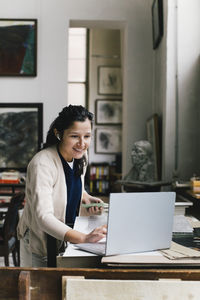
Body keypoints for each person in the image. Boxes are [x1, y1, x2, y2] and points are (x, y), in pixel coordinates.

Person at [17, 105, 107, 267]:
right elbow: (43, 217)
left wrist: (86, 197)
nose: (82, 143)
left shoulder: (80, 155)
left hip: (63, 239)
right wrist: (84, 239)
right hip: (39, 244)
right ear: (59, 134)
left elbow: (70, 183)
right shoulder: (42, 164)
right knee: (37, 289)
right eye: (74, 136)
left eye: (87, 136)